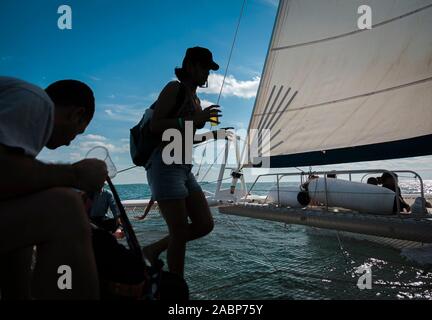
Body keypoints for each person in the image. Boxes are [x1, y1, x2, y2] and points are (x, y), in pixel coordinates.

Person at [0, 77, 107, 299]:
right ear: (76, 115)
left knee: (33, 213)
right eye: (78, 132)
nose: (70, 143)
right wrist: (75, 174)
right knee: (65, 208)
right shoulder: (36, 100)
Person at [142, 47, 227, 277]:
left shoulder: (195, 99)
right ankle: (177, 288)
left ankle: (152, 250)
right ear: (190, 66)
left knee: (204, 224)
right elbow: (156, 125)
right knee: (178, 231)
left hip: (183, 167)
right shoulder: (174, 89)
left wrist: (213, 135)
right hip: (164, 164)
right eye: (205, 68)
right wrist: (195, 118)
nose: (208, 74)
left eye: (209, 69)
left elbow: (186, 134)